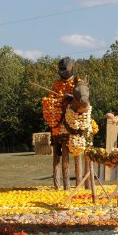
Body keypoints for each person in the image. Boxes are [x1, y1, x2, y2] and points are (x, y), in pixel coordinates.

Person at [50, 57, 75, 190]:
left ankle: (68, 184)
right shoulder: (56, 84)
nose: (61, 72)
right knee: (57, 153)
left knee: (68, 153)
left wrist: (72, 98)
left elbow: (83, 101)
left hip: (72, 124)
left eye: (64, 69)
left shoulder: (78, 83)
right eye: (60, 69)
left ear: (72, 68)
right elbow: (50, 100)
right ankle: (57, 184)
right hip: (56, 123)